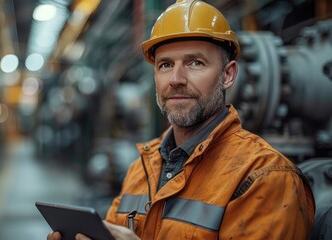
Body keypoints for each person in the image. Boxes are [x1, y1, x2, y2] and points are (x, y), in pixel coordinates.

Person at [48, 0, 315, 239]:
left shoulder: (265, 177)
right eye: (165, 65)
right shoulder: (141, 168)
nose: (176, 80)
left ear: (228, 75)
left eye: (195, 63)